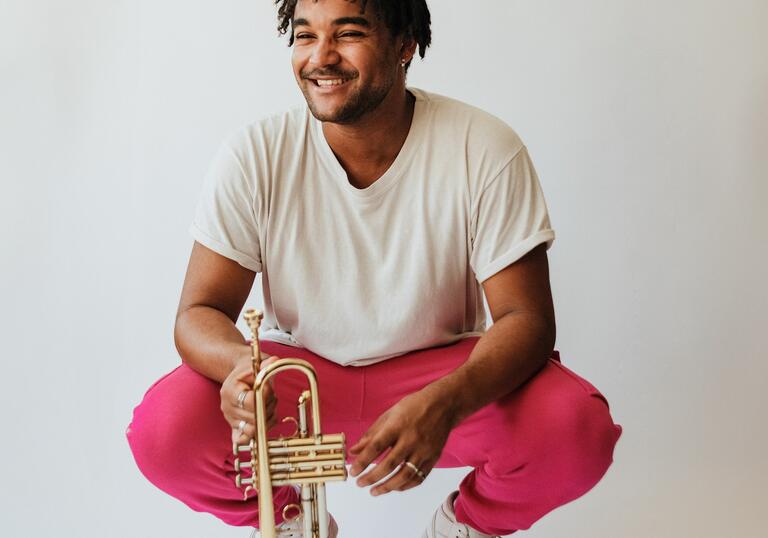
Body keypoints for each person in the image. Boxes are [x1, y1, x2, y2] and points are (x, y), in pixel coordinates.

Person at [125, 0, 623, 536]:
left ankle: (468, 526)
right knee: (164, 430)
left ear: (405, 45)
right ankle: (294, 523)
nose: (321, 57)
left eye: (348, 33)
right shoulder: (254, 155)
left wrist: (447, 401)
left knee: (575, 428)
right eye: (304, 35)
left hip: (440, 378)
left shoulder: (483, 146)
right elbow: (198, 312)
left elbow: (526, 319)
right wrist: (239, 371)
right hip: (299, 381)